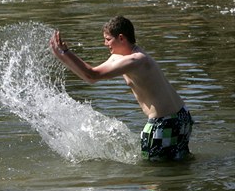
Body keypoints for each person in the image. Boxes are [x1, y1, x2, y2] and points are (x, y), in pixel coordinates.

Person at [49, 16, 193, 161]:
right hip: (182, 116)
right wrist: (62, 56)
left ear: (121, 38)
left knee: (154, 174)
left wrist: (65, 53)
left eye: (108, 39)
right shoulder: (122, 56)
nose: (105, 43)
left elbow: (92, 75)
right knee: (179, 164)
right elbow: (90, 77)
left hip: (164, 123)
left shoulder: (135, 60)